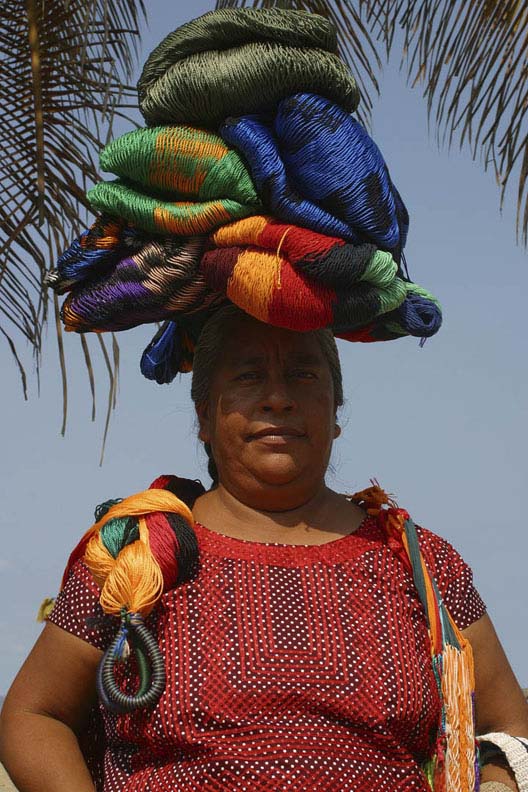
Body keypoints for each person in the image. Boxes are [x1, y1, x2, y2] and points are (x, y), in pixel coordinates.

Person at [1, 305, 528, 791]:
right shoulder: (140, 551)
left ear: (336, 409)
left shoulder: (417, 560)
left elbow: (511, 723)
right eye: (249, 375)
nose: (278, 397)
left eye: (303, 373)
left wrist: (501, 783)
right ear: (204, 415)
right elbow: (34, 715)